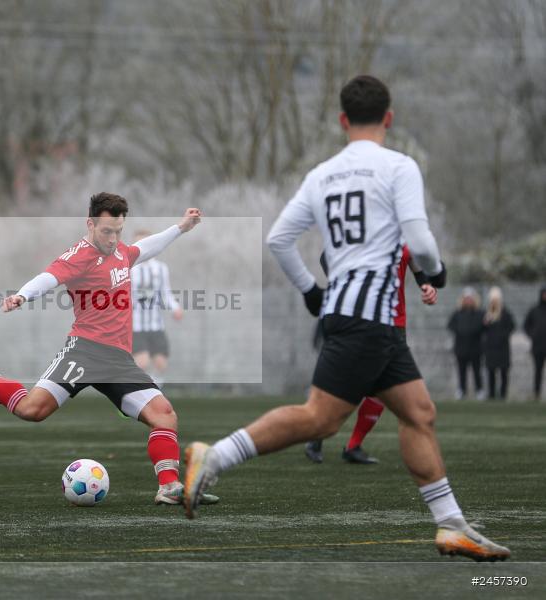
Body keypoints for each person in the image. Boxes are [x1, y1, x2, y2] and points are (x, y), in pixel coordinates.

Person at [183, 76, 510, 561]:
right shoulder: (399, 166)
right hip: (369, 318)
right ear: (389, 117)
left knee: (419, 414)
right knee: (319, 419)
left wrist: (312, 291)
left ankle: (450, 525)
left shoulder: (321, 174)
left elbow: (278, 239)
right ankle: (216, 455)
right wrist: (436, 270)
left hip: (354, 312)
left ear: (342, 120)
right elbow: (418, 238)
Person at [0, 194, 217, 506]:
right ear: (90, 224)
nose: (113, 238)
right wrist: (22, 296)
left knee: (164, 415)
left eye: (118, 231)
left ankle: (170, 486)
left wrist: (181, 227)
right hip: (84, 352)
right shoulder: (78, 257)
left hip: (118, 360)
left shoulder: (120, 250)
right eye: (107, 231)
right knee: (32, 410)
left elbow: (145, 249)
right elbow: (48, 278)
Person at [304, 247, 439, 465]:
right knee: (345, 383)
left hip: (395, 322)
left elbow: (415, 263)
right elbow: (325, 256)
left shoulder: (406, 231)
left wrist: (426, 285)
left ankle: (353, 445)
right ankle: (316, 436)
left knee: (385, 389)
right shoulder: (364, 223)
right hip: (363, 319)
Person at [130, 229, 184, 388]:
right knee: (142, 363)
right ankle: (139, 392)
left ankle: (152, 391)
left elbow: (165, 293)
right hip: (136, 325)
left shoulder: (160, 268)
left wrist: (176, 308)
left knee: (161, 365)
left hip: (156, 325)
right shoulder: (129, 268)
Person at [448, 288, 486, 400]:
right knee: (461, 371)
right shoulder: (457, 314)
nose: (468, 301)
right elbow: (451, 326)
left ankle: (479, 391)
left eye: (470, 298)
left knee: (477, 371)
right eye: (466, 298)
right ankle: (461, 390)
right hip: (461, 348)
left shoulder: (480, 313)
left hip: (476, 348)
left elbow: (484, 327)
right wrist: (461, 331)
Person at [482, 287, 514, 400]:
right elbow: (483, 329)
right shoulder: (487, 315)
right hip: (490, 348)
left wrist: (501, 337)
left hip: (503, 348)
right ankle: (491, 395)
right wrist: (485, 323)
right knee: (491, 371)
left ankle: (503, 395)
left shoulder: (506, 313)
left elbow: (511, 327)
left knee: (504, 372)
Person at [523, 286, 546, 400]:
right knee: (538, 371)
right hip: (538, 347)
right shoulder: (534, 310)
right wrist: (533, 335)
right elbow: (526, 325)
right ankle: (536, 393)